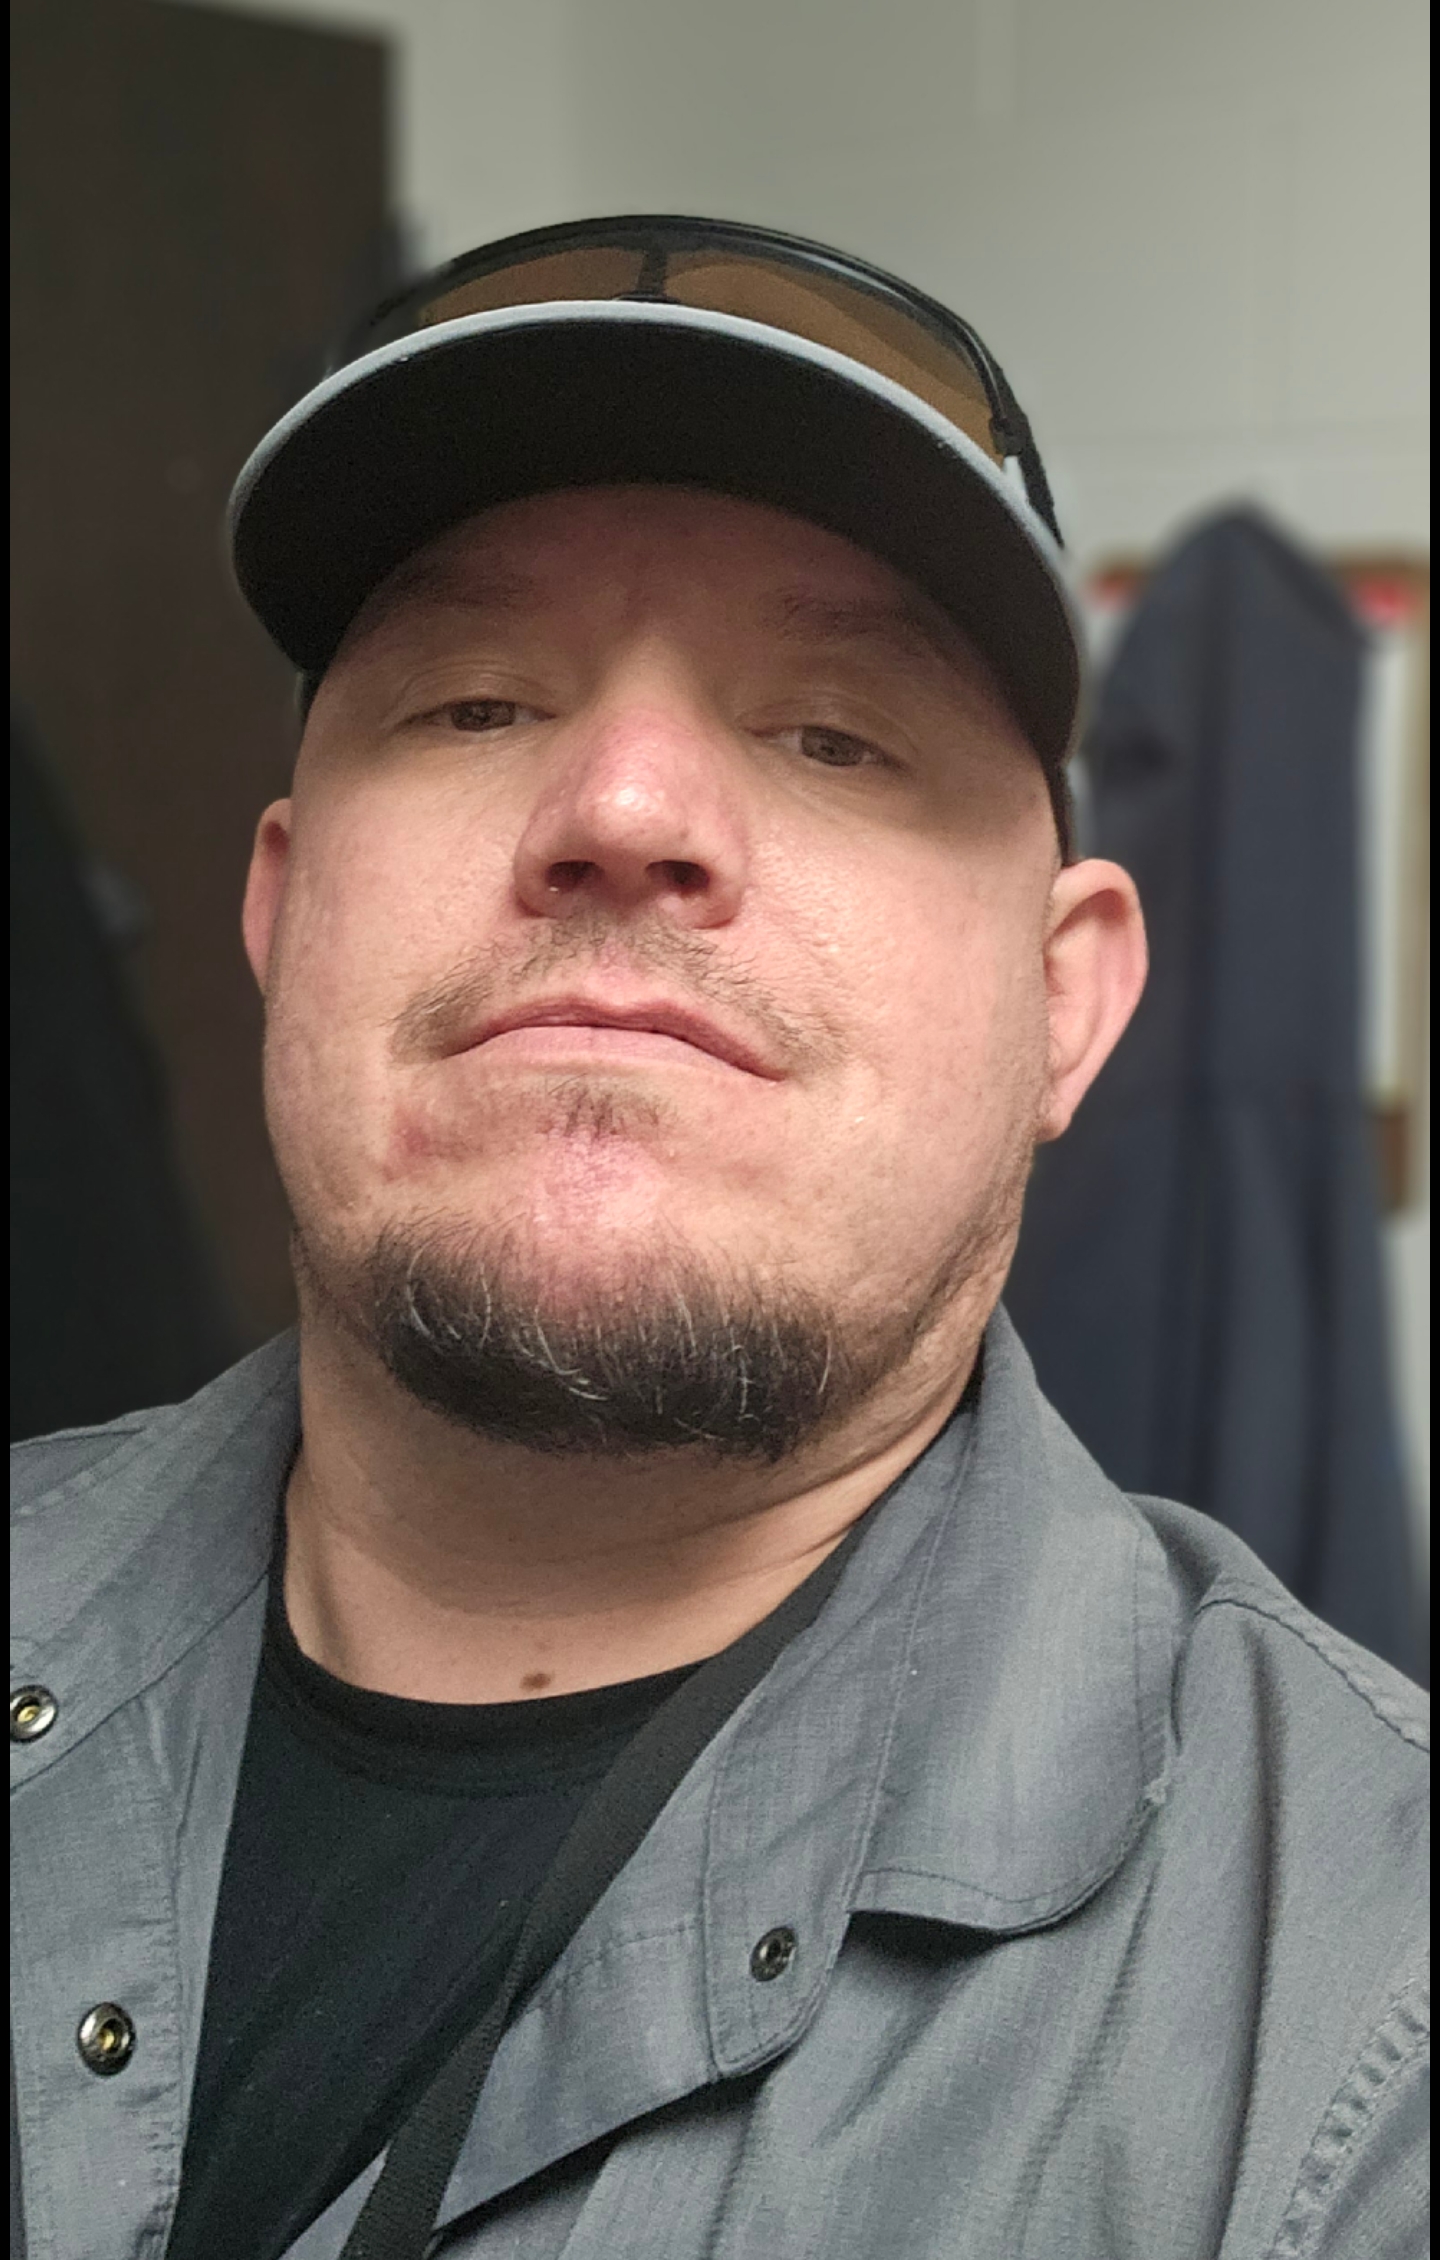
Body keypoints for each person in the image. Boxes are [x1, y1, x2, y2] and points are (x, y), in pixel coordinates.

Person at [10, 217, 1427, 2260]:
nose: (624, 804)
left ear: (1067, 1000)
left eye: (835, 732)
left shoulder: (1367, 2027)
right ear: (281, 910)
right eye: (476, 702)